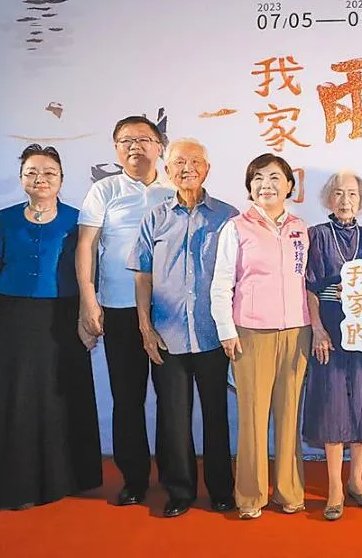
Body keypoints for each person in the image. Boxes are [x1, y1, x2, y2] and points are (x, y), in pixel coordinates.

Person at [128, 138, 238, 518]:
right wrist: (145, 327)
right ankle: (179, 491)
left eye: (195, 162)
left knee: (216, 416)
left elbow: (240, 275)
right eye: (178, 162)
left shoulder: (227, 217)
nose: (187, 168)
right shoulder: (155, 217)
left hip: (212, 334)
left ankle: (222, 490)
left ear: (207, 169)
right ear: (168, 169)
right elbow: (142, 276)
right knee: (172, 419)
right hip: (167, 336)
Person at [0, 144, 102, 510]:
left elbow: (89, 271)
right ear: (22, 178)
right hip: (11, 317)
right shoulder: (5, 218)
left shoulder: (77, 220)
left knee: (60, 394)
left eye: (48, 173)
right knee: (17, 396)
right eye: (32, 172)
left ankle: (65, 477)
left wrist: (88, 314)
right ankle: (17, 481)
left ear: (61, 179)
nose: (40, 179)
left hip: (64, 316)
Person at [76, 115, 174, 506]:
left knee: (171, 399)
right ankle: (133, 478)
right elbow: (86, 246)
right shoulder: (105, 190)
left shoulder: (174, 189)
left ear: (159, 146)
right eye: (125, 140)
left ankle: (174, 475)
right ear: (116, 149)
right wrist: (89, 298)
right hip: (118, 306)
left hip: (168, 310)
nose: (135, 146)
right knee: (127, 397)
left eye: (143, 139)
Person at [210, 153, 311, 520]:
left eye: (274, 178)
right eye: (258, 179)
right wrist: (226, 330)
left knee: (289, 415)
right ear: (249, 187)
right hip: (250, 332)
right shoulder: (236, 227)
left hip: (296, 332)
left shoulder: (301, 228)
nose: (266, 185)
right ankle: (250, 496)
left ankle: (289, 491)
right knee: (253, 417)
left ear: (290, 186)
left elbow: (305, 281)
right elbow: (221, 283)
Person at [303, 171, 362, 521]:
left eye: (352, 194)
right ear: (329, 198)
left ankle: (356, 480)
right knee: (333, 405)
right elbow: (309, 288)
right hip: (330, 327)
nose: (345, 200)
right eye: (339, 193)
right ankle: (334, 488)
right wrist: (317, 329)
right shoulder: (316, 236)